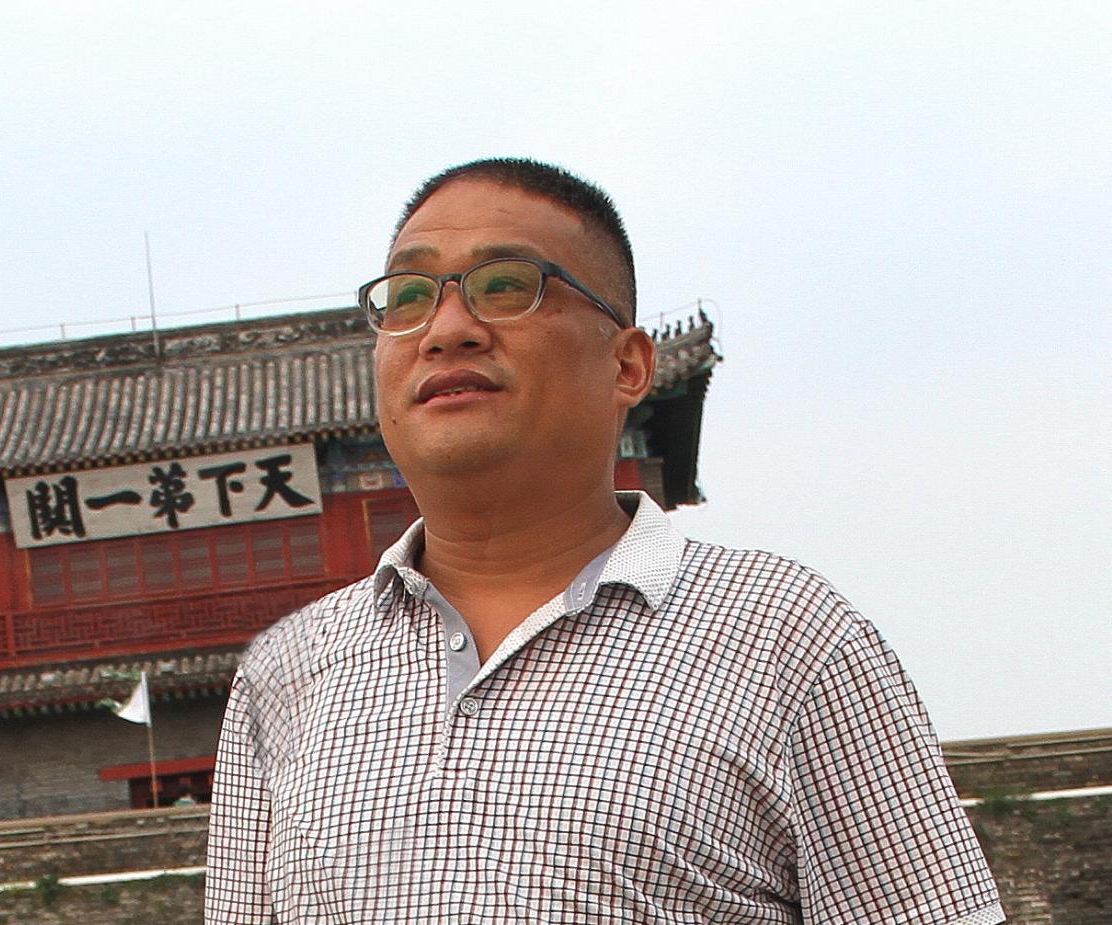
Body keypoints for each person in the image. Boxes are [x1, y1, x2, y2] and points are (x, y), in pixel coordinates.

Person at [205, 158, 1003, 924]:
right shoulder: (285, 677)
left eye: (505, 285)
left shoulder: (788, 638)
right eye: (409, 297)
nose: (445, 330)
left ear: (628, 364)